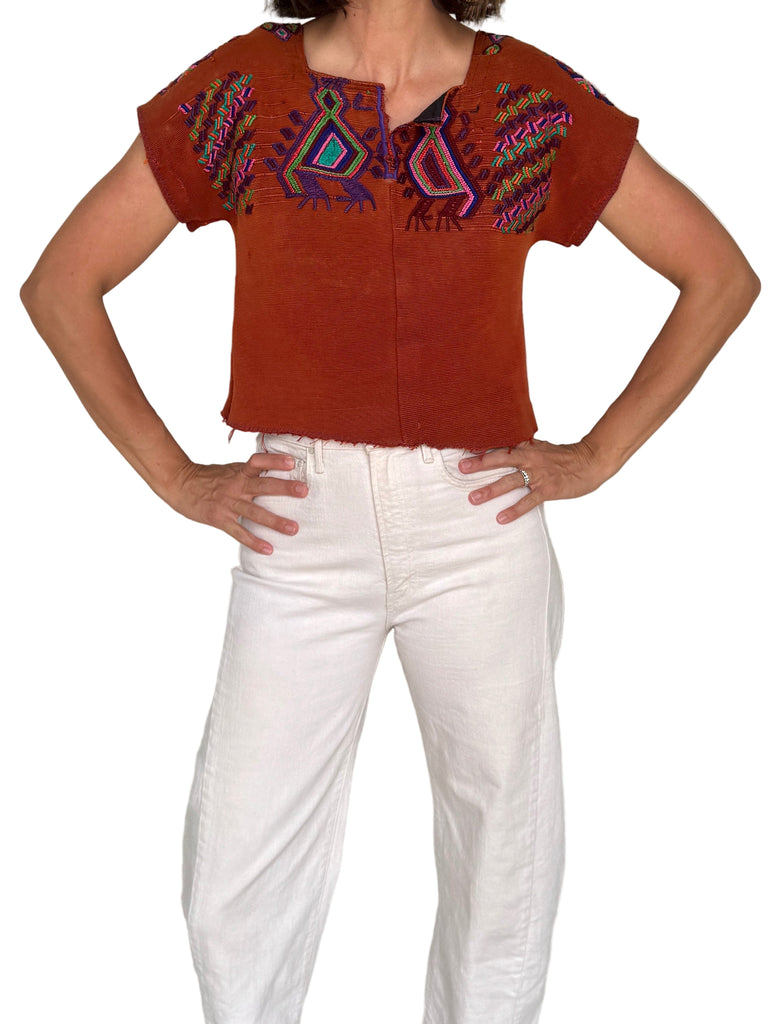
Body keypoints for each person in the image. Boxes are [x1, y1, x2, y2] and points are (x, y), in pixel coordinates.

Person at [18, 0, 760, 1022]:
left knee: (502, 849)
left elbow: (719, 275)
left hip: (476, 525)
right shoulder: (245, 92)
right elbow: (61, 284)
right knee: (237, 866)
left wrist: (596, 456)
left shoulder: (529, 102)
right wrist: (177, 477)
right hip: (297, 525)